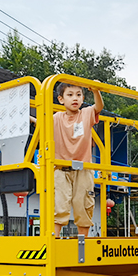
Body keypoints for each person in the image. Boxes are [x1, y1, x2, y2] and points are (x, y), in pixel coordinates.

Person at [52, 82, 104, 237]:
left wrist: (96, 91)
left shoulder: (86, 114)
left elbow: (99, 106)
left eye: (78, 95)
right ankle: (53, 240)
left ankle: (83, 243)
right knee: (59, 204)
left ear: (82, 98)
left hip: (83, 168)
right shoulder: (56, 118)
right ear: (61, 99)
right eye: (70, 95)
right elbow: (42, 125)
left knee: (83, 204)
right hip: (61, 168)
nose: (75, 98)